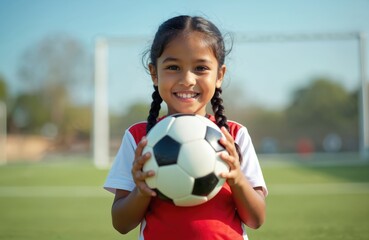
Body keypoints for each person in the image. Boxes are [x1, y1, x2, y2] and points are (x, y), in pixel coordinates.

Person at [104, 15, 268, 240]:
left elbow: (256, 219)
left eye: (201, 68)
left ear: (219, 75)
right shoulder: (139, 137)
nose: (187, 79)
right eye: (173, 67)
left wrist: (237, 179)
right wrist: (141, 192)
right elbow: (121, 224)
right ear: (154, 73)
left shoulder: (234, 135)